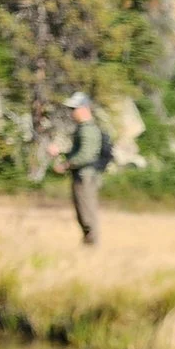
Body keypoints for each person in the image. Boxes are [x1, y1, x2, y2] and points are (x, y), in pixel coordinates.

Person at [63, 91, 111, 246]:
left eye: (74, 108)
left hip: (86, 178)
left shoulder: (87, 129)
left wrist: (67, 164)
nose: (72, 113)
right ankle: (88, 246)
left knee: (87, 215)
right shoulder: (84, 129)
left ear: (84, 108)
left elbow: (86, 155)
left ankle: (92, 248)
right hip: (83, 176)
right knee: (83, 214)